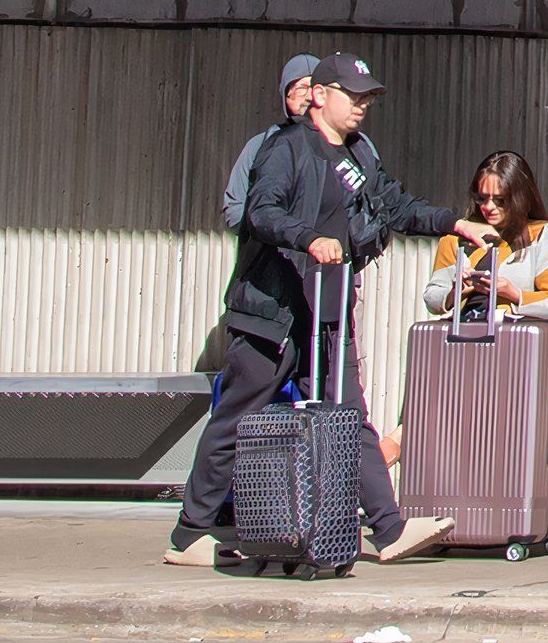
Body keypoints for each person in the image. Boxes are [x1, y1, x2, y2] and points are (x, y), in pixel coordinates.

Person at [164, 51, 457, 570]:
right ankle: (190, 535)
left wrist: (455, 224)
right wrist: (310, 239)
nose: (362, 106)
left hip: (327, 311)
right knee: (236, 418)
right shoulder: (285, 147)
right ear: (320, 96)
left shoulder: (359, 154)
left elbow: (395, 205)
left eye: (367, 97)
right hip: (272, 312)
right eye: (353, 95)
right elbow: (260, 211)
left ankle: (388, 531)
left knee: (349, 415)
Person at [422, 150, 548, 324]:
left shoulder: (541, 234)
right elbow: (432, 299)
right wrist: (455, 293)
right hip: (462, 338)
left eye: (500, 200)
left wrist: (512, 293)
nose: (488, 207)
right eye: (482, 198)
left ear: (520, 197)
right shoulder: (456, 237)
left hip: (515, 340)